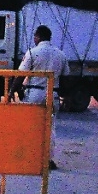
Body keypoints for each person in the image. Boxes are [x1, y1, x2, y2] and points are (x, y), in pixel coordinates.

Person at [18, 25, 69, 170]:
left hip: (34, 94)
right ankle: (48, 160)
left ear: (38, 37)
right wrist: (64, 96)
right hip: (52, 95)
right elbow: (66, 79)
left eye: (35, 36)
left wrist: (11, 92)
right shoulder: (60, 55)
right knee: (50, 128)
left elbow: (20, 75)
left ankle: (29, 157)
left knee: (30, 126)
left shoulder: (33, 53)